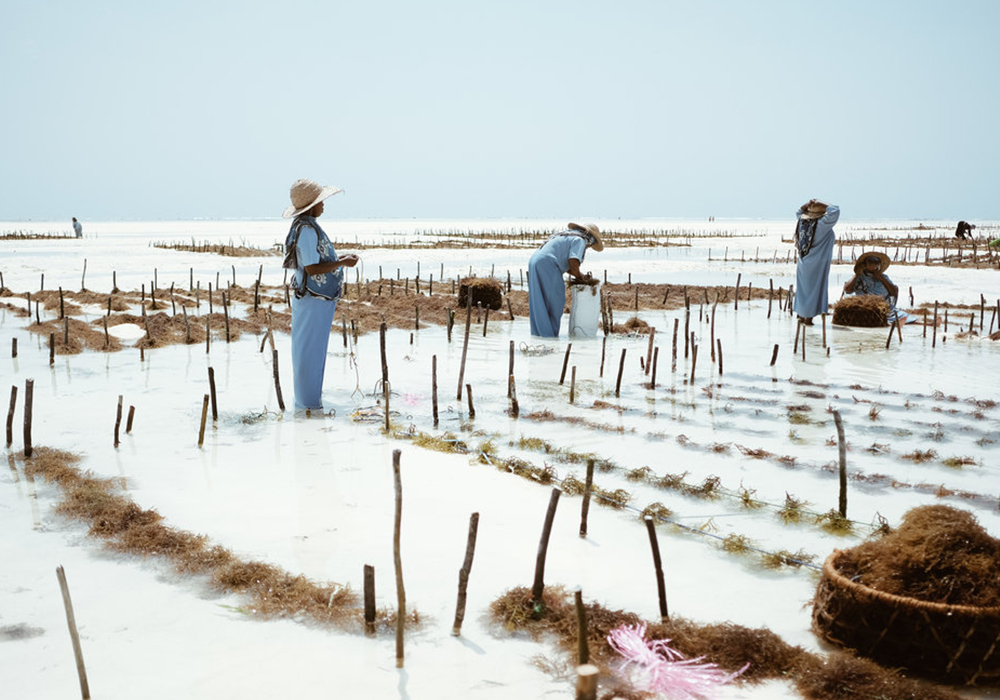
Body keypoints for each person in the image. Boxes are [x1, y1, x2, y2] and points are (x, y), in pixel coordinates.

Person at [281, 178, 359, 410]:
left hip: (311, 299)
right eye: (320, 202)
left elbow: (314, 261)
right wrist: (342, 262)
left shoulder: (304, 226)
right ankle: (308, 404)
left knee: (309, 350)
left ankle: (308, 402)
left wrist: (338, 260)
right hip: (313, 299)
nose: (323, 205)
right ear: (311, 206)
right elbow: (312, 268)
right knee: (310, 352)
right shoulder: (306, 229)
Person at [528, 222, 603, 337]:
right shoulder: (580, 240)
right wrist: (582, 279)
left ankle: (539, 336)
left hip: (535, 261)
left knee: (539, 300)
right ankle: (549, 337)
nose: (588, 247)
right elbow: (573, 262)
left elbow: (567, 264)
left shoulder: (566, 236)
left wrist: (580, 275)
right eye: (591, 244)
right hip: (548, 263)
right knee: (555, 303)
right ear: (591, 238)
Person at [793, 199, 839, 325]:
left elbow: (799, 211)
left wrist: (808, 204)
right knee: (814, 290)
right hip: (817, 263)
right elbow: (835, 210)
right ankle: (808, 318)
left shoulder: (803, 222)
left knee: (803, 290)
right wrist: (822, 203)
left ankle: (801, 315)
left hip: (803, 261)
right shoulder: (821, 224)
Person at [843, 251, 910, 324]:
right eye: (870, 262)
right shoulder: (859, 277)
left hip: (882, 307)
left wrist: (881, 278)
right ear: (865, 264)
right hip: (865, 307)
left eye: (875, 262)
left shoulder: (884, 277)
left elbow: (893, 292)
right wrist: (857, 275)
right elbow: (847, 290)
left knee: (905, 317)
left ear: (878, 265)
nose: (873, 264)